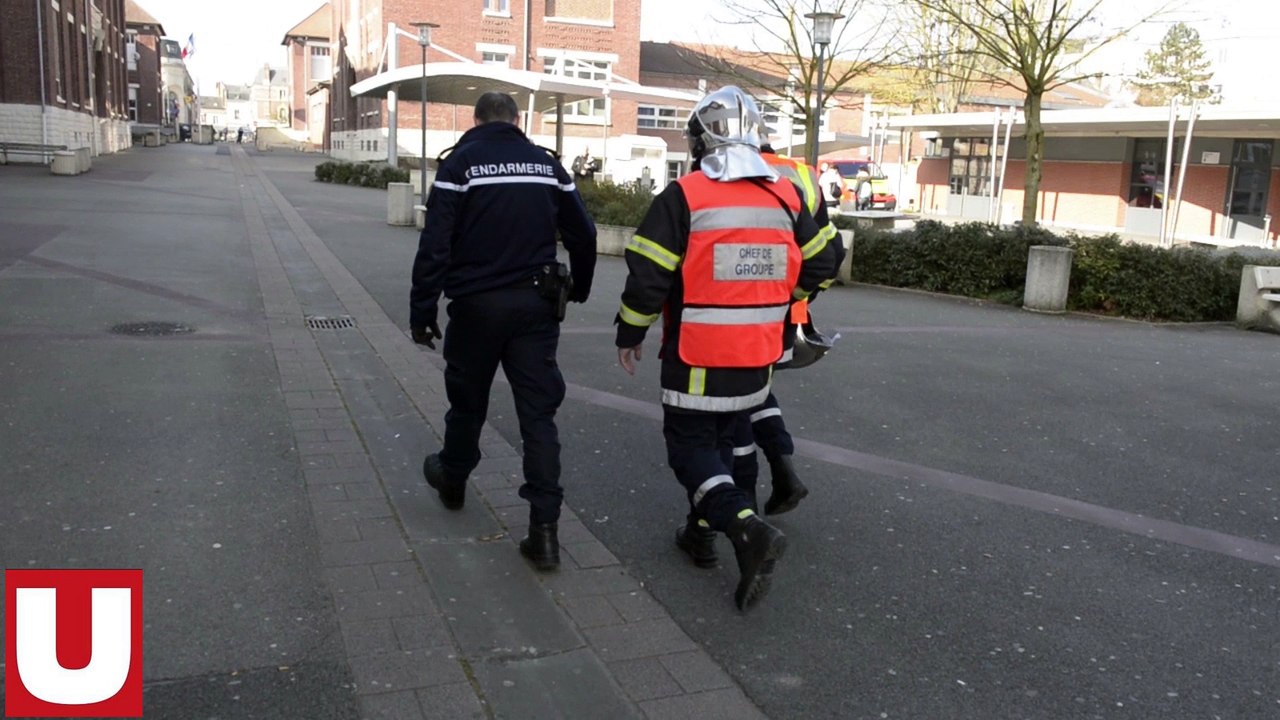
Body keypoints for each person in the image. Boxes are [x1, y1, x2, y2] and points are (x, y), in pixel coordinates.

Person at [615, 86, 840, 610]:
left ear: (700, 140)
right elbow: (824, 262)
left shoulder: (687, 195)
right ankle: (706, 535)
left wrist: (630, 332)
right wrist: (786, 300)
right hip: (759, 354)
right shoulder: (784, 193)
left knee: (691, 448)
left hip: (698, 355)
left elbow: (648, 274)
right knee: (736, 438)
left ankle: (745, 527)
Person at [410, 91, 597, 572]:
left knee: (467, 402)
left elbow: (436, 244)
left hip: (475, 308)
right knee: (538, 415)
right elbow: (584, 232)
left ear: (475, 120)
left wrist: (422, 309)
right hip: (536, 307)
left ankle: (453, 479)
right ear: (517, 120)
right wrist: (580, 286)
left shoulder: (459, 166)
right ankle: (545, 531)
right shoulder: (547, 166)